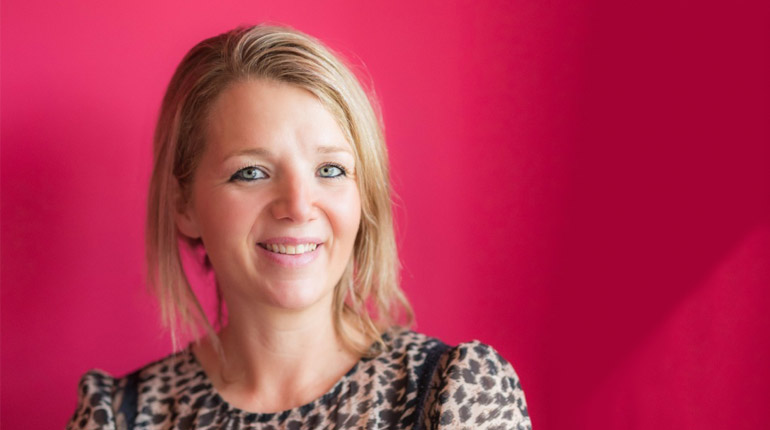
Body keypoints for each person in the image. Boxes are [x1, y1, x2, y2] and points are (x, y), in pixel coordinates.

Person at [66, 24, 531, 430]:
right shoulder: (117, 417)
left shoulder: (452, 394)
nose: (299, 205)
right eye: (251, 172)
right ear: (184, 204)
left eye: (330, 170)